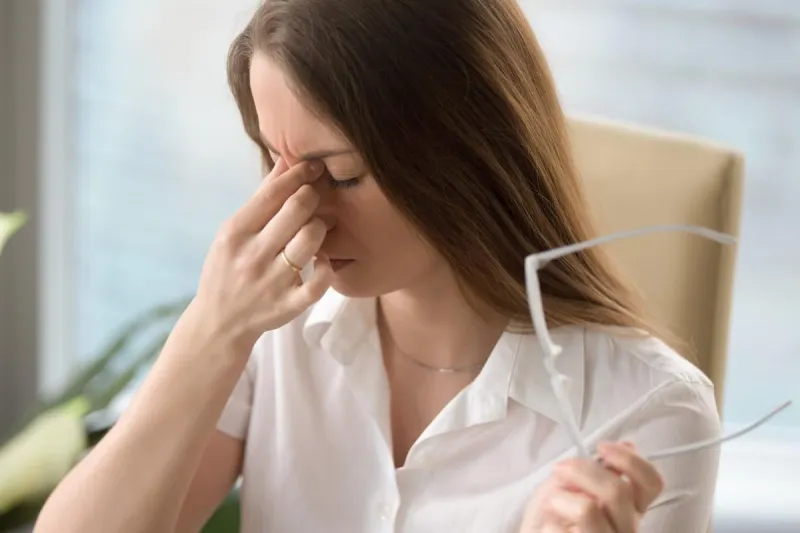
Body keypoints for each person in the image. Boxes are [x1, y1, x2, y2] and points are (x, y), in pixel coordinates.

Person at [34, 0, 722, 532]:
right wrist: (208, 332)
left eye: (340, 175)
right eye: (274, 165)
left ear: (462, 152)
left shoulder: (649, 413)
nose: (302, 214)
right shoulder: (272, 333)